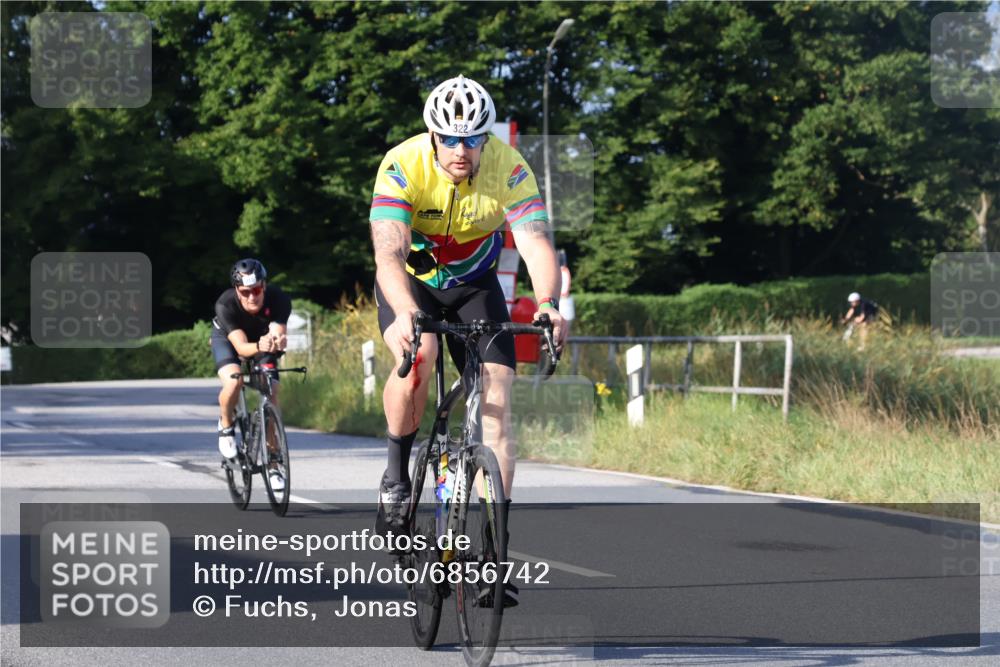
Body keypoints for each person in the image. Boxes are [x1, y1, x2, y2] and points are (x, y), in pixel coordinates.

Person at [369, 75, 567, 603]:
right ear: (431, 134)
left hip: (475, 287)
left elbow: (535, 242)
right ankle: (395, 476)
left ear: (486, 137)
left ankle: (492, 553)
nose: (461, 150)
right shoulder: (401, 163)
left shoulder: (509, 167)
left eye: (472, 139)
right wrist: (405, 311)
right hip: (410, 282)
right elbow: (388, 253)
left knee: (498, 395)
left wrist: (548, 303)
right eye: (450, 139)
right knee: (419, 360)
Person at [211, 258, 291, 491]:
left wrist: (278, 341)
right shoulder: (225, 304)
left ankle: (274, 463)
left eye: (256, 290)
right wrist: (262, 346)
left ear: (264, 286)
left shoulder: (279, 299)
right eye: (245, 292)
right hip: (230, 341)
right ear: (237, 290)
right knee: (234, 381)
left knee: (273, 391)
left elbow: (277, 334)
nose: (252, 297)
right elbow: (241, 349)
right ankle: (226, 427)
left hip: (262, 344)